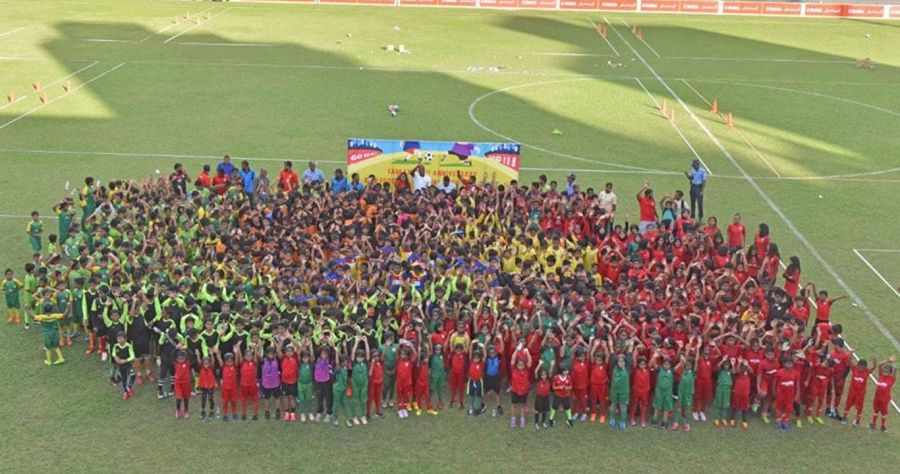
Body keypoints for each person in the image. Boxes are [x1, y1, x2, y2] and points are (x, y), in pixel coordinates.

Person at [842, 356, 875, 427]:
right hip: (852, 392)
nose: (861, 368)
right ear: (858, 365)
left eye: (863, 367)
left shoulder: (867, 372)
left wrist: (874, 360)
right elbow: (849, 361)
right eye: (860, 366)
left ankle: (857, 421)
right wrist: (851, 352)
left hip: (860, 394)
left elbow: (874, 367)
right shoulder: (854, 369)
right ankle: (844, 417)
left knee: (859, 408)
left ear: (865, 367)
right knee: (848, 404)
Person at [871, 356, 895, 432]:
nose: (884, 372)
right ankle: (873, 424)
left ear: (890, 373)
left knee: (884, 413)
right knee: (875, 411)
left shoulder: (891, 379)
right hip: (877, 398)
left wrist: (892, 363)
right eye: (884, 371)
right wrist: (887, 360)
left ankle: (883, 426)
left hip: (884, 400)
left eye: (886, 371)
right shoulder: (880, 376)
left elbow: (895, 370)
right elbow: (879, 365)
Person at [110, 331, 135, 400]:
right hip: (121, 366)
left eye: (121, 339)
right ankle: (125, 392)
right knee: (124, 379)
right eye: (118, 339)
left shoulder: (128, 346)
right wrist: (116, 357)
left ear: (125, 339)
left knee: (133, 375)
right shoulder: (116, 346)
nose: (119, 340)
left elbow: (132, 356)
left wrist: (125, 360)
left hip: (128, 364)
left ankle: (129, 387)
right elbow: (113, 353)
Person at [173, 350, 192, 419]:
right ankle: (178, 410)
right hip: (178, 383)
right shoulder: (175, 363)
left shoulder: (187, 363)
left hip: (186, 383)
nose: (181, 360)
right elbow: (172, 354)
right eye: (179, 358)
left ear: (185, 358)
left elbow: (191, 355)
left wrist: (186, 348)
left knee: (186, 398)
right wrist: (176, 348)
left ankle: (186, 411)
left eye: (182, 358)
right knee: (179, 397)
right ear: (177, 358)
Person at [198, 356, 217, 421]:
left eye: (207, 363)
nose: (206, 365)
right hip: (203, 386)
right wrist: (198, 355)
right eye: (204, 364)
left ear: (209, 363)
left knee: (211, 398)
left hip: (210, 386)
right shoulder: (201, 368)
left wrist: (212, 355)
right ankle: (203, 410)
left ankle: (211, 411)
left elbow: (213, 362)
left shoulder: (211, 368)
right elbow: (199, 361)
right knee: (203, 398)